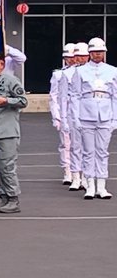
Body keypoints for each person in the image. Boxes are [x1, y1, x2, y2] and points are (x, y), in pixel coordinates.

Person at [69, 37, 117, 200]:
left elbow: (115, 96)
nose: (98, 55)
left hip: (105, 113)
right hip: (86, 113)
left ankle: (102, 186)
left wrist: (115, 119)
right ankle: (90, 185)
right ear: (90, 53)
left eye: (101, 52)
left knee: (102, 152)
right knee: (88, 152)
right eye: (95, 52)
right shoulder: (80, 71)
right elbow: (74, 95)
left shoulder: (112, 70)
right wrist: (75, 118)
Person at [0, 52, 28, 214]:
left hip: (7, 132)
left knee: (8, 167)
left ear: (1, 64)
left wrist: (7, 101)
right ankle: (4, 198)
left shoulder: (10, 81)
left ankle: (13, 199)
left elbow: (23, 101)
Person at [59, 42, 89, 191]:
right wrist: (62, 118)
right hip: (74, 113)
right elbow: (62, 98)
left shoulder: (93, 72)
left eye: (83, 56)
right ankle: (76, 176)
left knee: (89, 148)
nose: (80, 59)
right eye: (77, 56)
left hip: (91, 114)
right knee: (76, 147)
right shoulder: (66, 73)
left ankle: (87, 177)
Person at [49, 43, 75, 185]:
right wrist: (56, 116)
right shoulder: (58, 74)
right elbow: (53, 96)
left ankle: (79, 171)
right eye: (67, 57)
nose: (70, 60)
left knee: (80, 145)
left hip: (80, 113)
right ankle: (67, 171)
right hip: (64, 113)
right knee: (66, 144)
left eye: (72, 57)